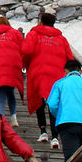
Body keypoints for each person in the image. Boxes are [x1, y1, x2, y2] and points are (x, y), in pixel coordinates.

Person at [22, 13, 77, 148]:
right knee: (54, 103)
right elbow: (70, 58)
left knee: (39, 101)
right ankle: (55, 136)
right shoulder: (61, 38)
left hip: (38, 72)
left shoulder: (33, 34)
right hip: (57, 75)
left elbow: (26, 50)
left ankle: (43, 131)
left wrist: (25, 65)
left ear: (41, 21)